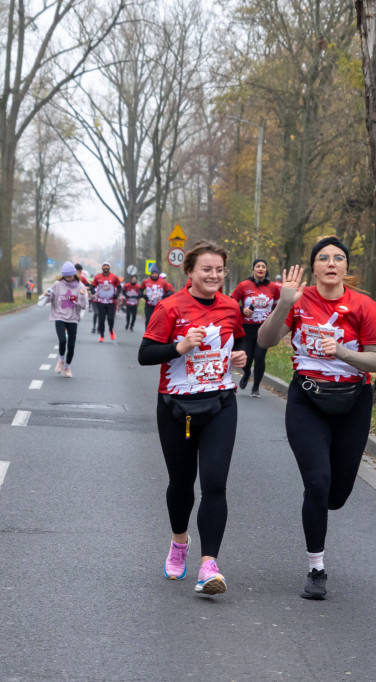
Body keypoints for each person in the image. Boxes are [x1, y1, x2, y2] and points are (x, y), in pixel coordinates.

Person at [257, 236, 376, 600]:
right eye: (324, 258)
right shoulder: (298, 301)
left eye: (339, 258)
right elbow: (265, 341)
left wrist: (344, 353)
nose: (332, 263)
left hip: (353, 403)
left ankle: (325, 503)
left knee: (336, 493)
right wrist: (283, 304)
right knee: (317, 482)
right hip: (307, 401)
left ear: (347, 268)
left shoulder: (364, 306)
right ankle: (316, 568)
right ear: (313, 267)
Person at [138, 241, 247, 596]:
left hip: (220, 404)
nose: (214, 275)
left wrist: (240, 357)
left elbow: (239, 342)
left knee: (215, 484)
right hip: (176, 408)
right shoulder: (169, 307)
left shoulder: (231, 307)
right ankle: (179, 542)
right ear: (189, 272)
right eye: (206, 269)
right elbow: (145, 354)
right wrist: (179, 347)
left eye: (219, 270)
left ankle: (208, 566)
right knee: (182, 485)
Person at [231, 258, 280, 397]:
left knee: (259, 357)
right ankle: (246, 373)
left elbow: (277, 307)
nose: (260, 268)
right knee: (247, 358)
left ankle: (256, 387)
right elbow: (232, 301)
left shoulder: (273, 287)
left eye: (263, 266)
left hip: (264, 328)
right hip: (246, 327)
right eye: (258, 266)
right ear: (253, 269)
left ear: (266, 269)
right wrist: (242, 310)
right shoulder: (244, 285)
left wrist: (274, 320)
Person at [42, 261, 89, 378]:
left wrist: (82, 296)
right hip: (59, 316)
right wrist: (46, 295)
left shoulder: (80, 286)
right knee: (62, 340)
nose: (68, 278)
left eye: (70, 276)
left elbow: (84, 306)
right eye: (66, 276)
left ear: (74, 274)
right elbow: (51, 297)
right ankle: (61, 360)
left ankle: (67, 367)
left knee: (71, 345)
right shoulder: (58, 284)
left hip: (73, 318)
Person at [91, 262, 122, 342]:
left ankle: (111, 330)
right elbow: (92, 286)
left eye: (107, 266)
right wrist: (93, 291)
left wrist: (117, 294)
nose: (105, 267)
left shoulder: (114, 277)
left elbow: (119, 287)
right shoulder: (98, 277)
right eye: (104, 266)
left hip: (111, 301)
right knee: (101, 319)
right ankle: (102, 335)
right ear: (102, 267)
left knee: (110, 318)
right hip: (100, 301)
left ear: (109, 267)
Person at [143, 265, 175, 329]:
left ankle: (154, 334)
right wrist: (144, 296)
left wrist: (164, 297)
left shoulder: (164, 283)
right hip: (149, 305)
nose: (154, 275)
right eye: (153, 273)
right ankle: (147, 333)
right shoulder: (146, 281)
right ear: (151, 274)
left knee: (158, 321)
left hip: (159, 306)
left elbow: (170, 292)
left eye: (156, 273)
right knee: (148, 320)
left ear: (158, 274)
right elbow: (140, 290)